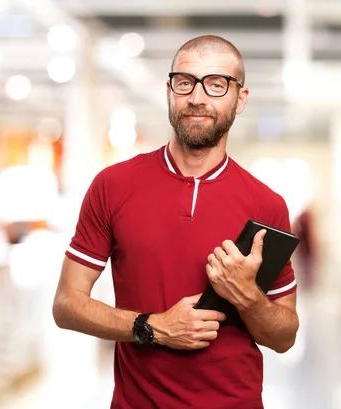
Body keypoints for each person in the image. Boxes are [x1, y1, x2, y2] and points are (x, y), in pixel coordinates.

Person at [52, 35, 299, 409]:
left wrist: (247, 296)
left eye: (216, 85)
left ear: (240, 99)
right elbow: (67, 303)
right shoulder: (113, 186)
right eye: (185, 82)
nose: (197, 97)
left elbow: (284, 337)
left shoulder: (267, 205)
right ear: (169, 90)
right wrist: (152, 327)